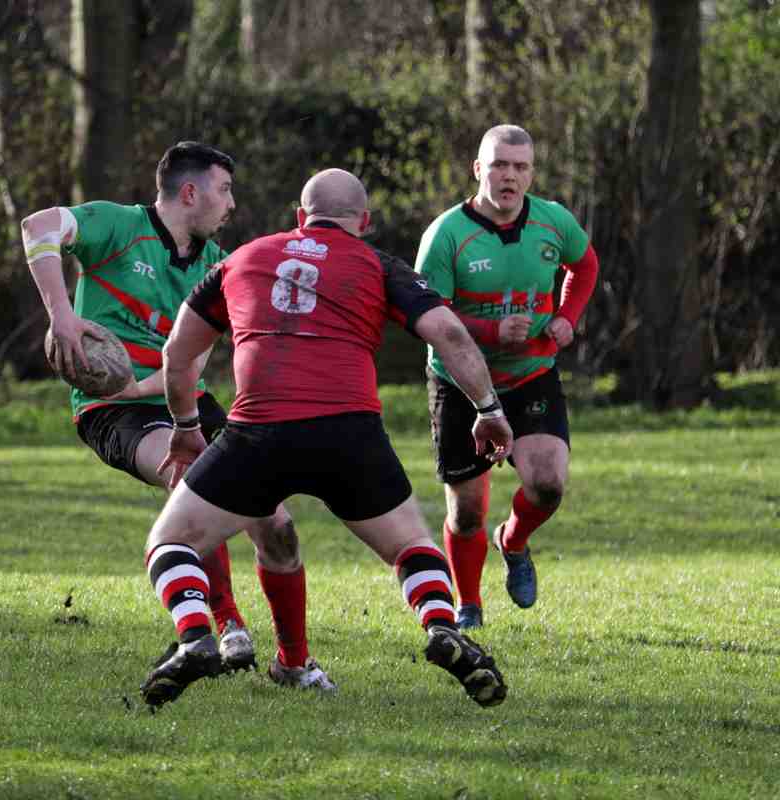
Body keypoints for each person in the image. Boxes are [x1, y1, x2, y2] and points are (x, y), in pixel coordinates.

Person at [138, 168, 514, 709]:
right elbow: (450, 334)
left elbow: (178, 353)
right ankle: (440, 625)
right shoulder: (379, 264)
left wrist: (186, 428)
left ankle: (197, 634)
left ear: (299, 217)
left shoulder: (239, 259)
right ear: (363, 222)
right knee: (412, 549)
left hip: (258, 433)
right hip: (349, 435)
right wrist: (488, 409)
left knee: (170, 544)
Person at [20, 141, 329, 688]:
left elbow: (196, 360)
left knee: (276, 522)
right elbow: (38, 227)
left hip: (181, 397)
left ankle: (293, 663)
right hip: (112, 412)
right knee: (198, 478)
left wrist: (145, 381)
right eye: (224, 190)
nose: (231, 204)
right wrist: (62, 315)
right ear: (191, 192)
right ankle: (222, 625)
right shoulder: (117, 226)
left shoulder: (214, 264)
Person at [415, 124, 599, 629]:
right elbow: (427, 314)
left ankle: (513, 542)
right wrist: (489, 330)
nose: (509, 176)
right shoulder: (447, 235)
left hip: (531, 375)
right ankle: (468, 607)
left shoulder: (554, 222)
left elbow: (585, 267)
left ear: (531, 173)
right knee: (467, 511)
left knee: (548, 486)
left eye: (520, 167)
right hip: (461, 385)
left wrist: (567, 315)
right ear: (478, 169)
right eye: (499, 165)